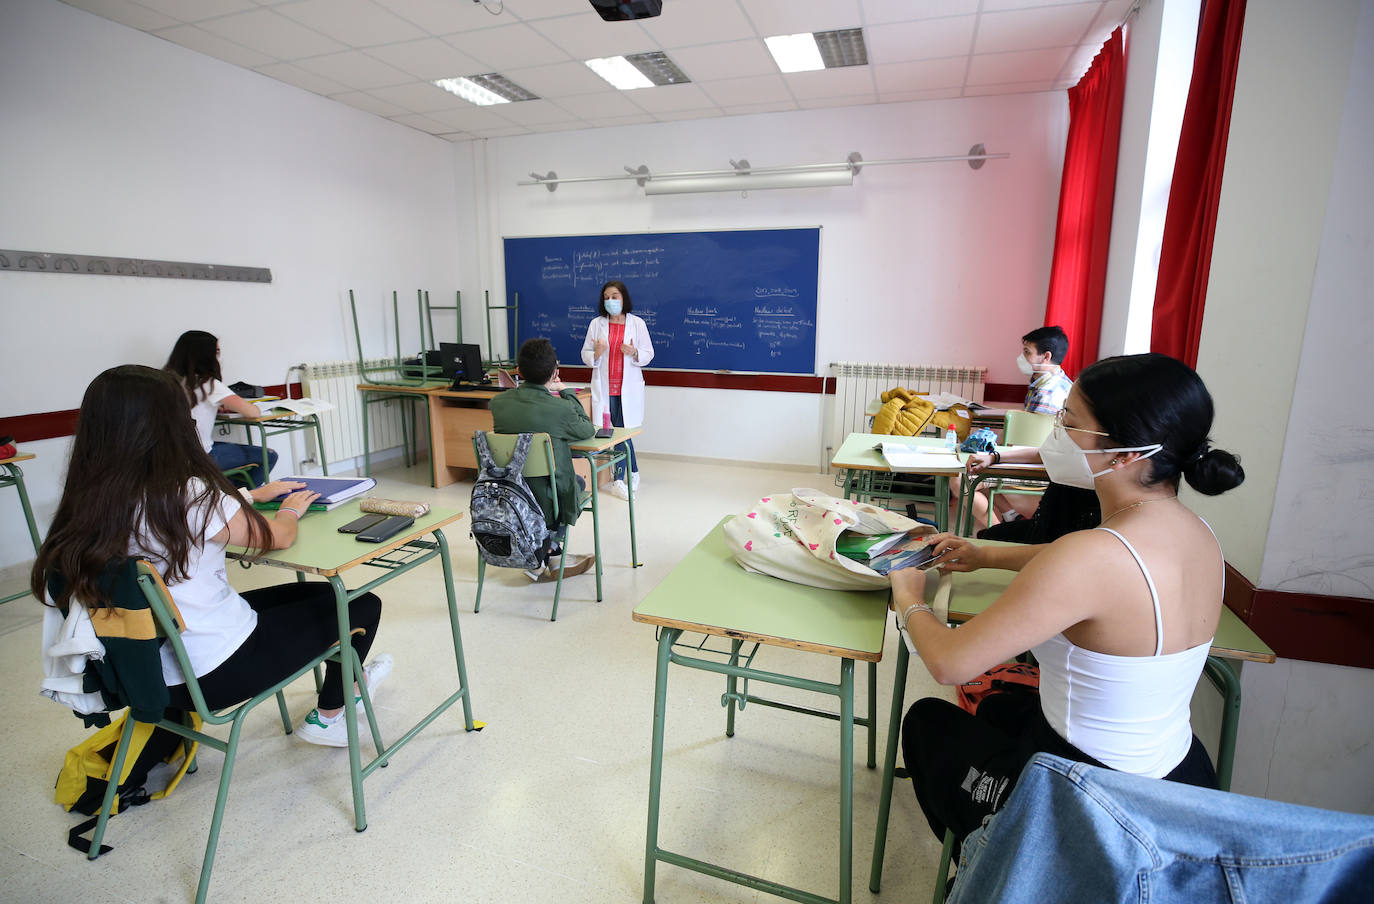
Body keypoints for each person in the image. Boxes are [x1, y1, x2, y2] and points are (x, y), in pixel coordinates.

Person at [895, 353, 1245, 851]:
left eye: (1070, 422)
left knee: (929, 723)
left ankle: (990, 868)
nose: (1056, 434)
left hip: (1088, 802)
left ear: (1124, 453)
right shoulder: (1197, 534)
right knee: (999, 709)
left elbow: (950, 663)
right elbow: (1102, 575)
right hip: (1178, 780)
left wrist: (911, 599)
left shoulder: (1091, 555)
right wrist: (986, 552)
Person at [32, 365, 391, 747]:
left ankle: (354, 680)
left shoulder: (88, 502)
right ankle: (332, 714)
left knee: (322, 597)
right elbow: (276, 537)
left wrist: (250, 496)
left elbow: (201, 521)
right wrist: (291, 510)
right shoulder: (187, 492)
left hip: (150, 671)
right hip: (216, 670)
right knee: (359, 605)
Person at [956, 325, 1094, 535]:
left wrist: (995, 452)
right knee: (982, 470)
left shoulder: (1049, 395)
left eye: (1027, 352)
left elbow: (1031, 444)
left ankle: (997, 532)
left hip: (1033, 466)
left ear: (1046, 356)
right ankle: (1011, 519)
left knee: (960, 480)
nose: (1022, 358)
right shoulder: (1055, 383)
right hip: (1033, 456)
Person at [491, 338, 597, 582]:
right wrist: (566, 390)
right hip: (547, 501)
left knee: (551, 485)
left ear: (518, 371)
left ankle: (545, 553)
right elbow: (587, 430)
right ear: (554, 373)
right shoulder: (559, 409)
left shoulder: (498, 404)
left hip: (509, 495)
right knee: (578, 485)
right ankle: (549, 549)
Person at [164, 330, 276, 486]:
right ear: (205, 355)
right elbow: (252, 412)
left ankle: (227, 495)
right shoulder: (209, 384)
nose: (219, 357)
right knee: (268, 456)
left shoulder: (167, 382)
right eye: (216, 351)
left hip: (172, 457)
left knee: (225, 466)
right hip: (201, 457)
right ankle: (242, 499)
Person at [580, 280, 654, 500]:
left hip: (626, 390)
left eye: (615, 296)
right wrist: (598, 352)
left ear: (624, 298)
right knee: (613, 434)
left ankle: (621, 477)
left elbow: (649, 353)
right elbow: (585, 355)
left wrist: (634, 352)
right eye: (606, 297)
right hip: (605, 389)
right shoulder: (596, 324)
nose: (610, 301)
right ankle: (631, 473)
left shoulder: (637, 324)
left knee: (622, 433)